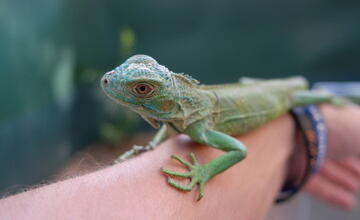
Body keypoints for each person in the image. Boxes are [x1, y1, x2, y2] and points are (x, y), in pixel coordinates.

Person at [1, 104, 359, 219]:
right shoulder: (178, 120)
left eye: (143, 90)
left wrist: (204, 170)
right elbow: (171, 124)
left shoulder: (200, 126)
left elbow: (239, 150)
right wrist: (302, 132)